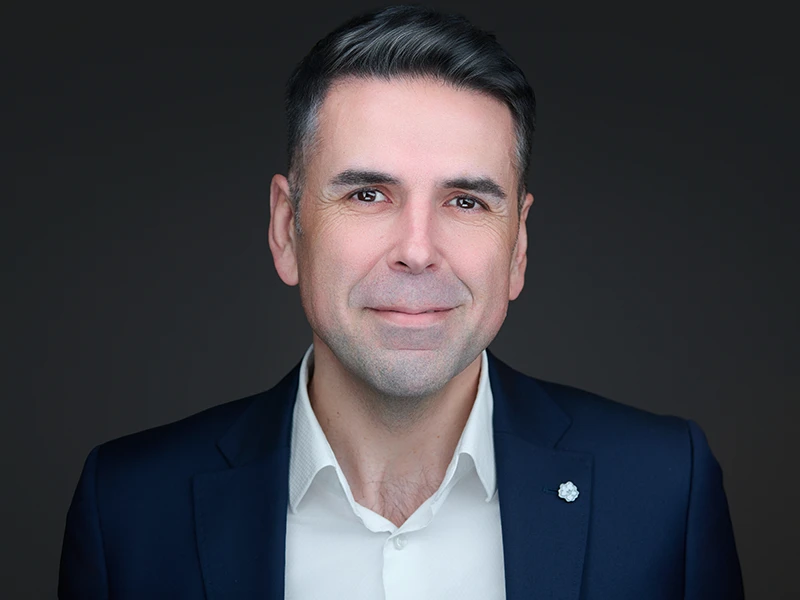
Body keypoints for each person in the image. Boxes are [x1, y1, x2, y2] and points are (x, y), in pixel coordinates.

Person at [58, 5, 744, 599]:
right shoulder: (127, 509)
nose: (418, 249)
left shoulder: (663, 492)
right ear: (284, 228)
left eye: (466, 201)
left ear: (519, 248)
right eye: (367, 195)